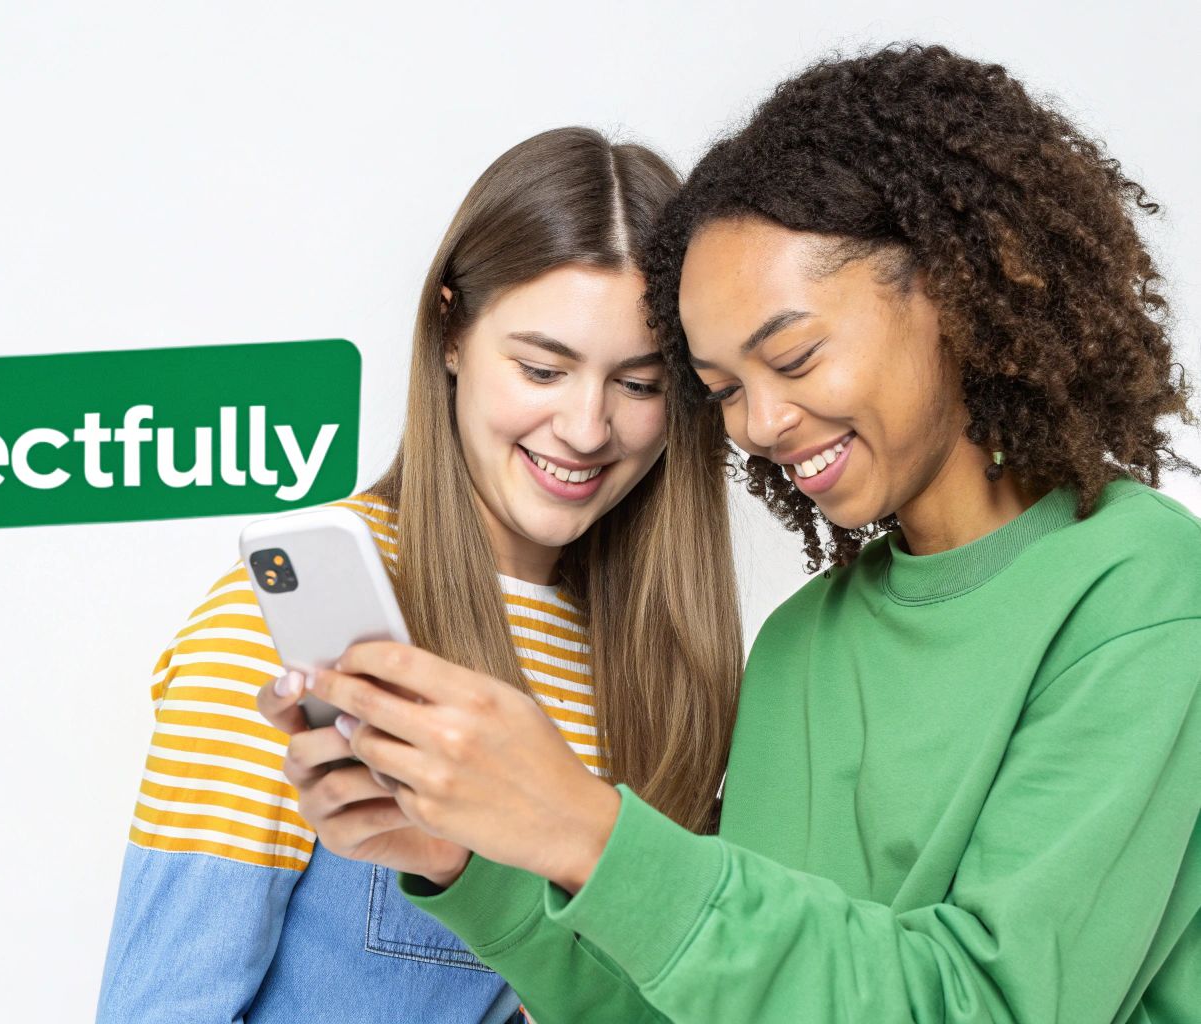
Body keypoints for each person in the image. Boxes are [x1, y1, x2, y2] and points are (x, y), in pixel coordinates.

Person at [263, 45, 1201, 1023]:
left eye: (791, 354)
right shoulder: (800, 646)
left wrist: (589, 830)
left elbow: (992, 1005)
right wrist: (467, 865)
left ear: (957, 286)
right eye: (719, 392)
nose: (756, 425)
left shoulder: (1135, 589)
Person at [97, 126, 742, 1023]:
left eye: (638, 385)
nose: (587, 428)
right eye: (542, 368)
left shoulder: (674, 670)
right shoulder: (280, 625)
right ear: (450, 332)